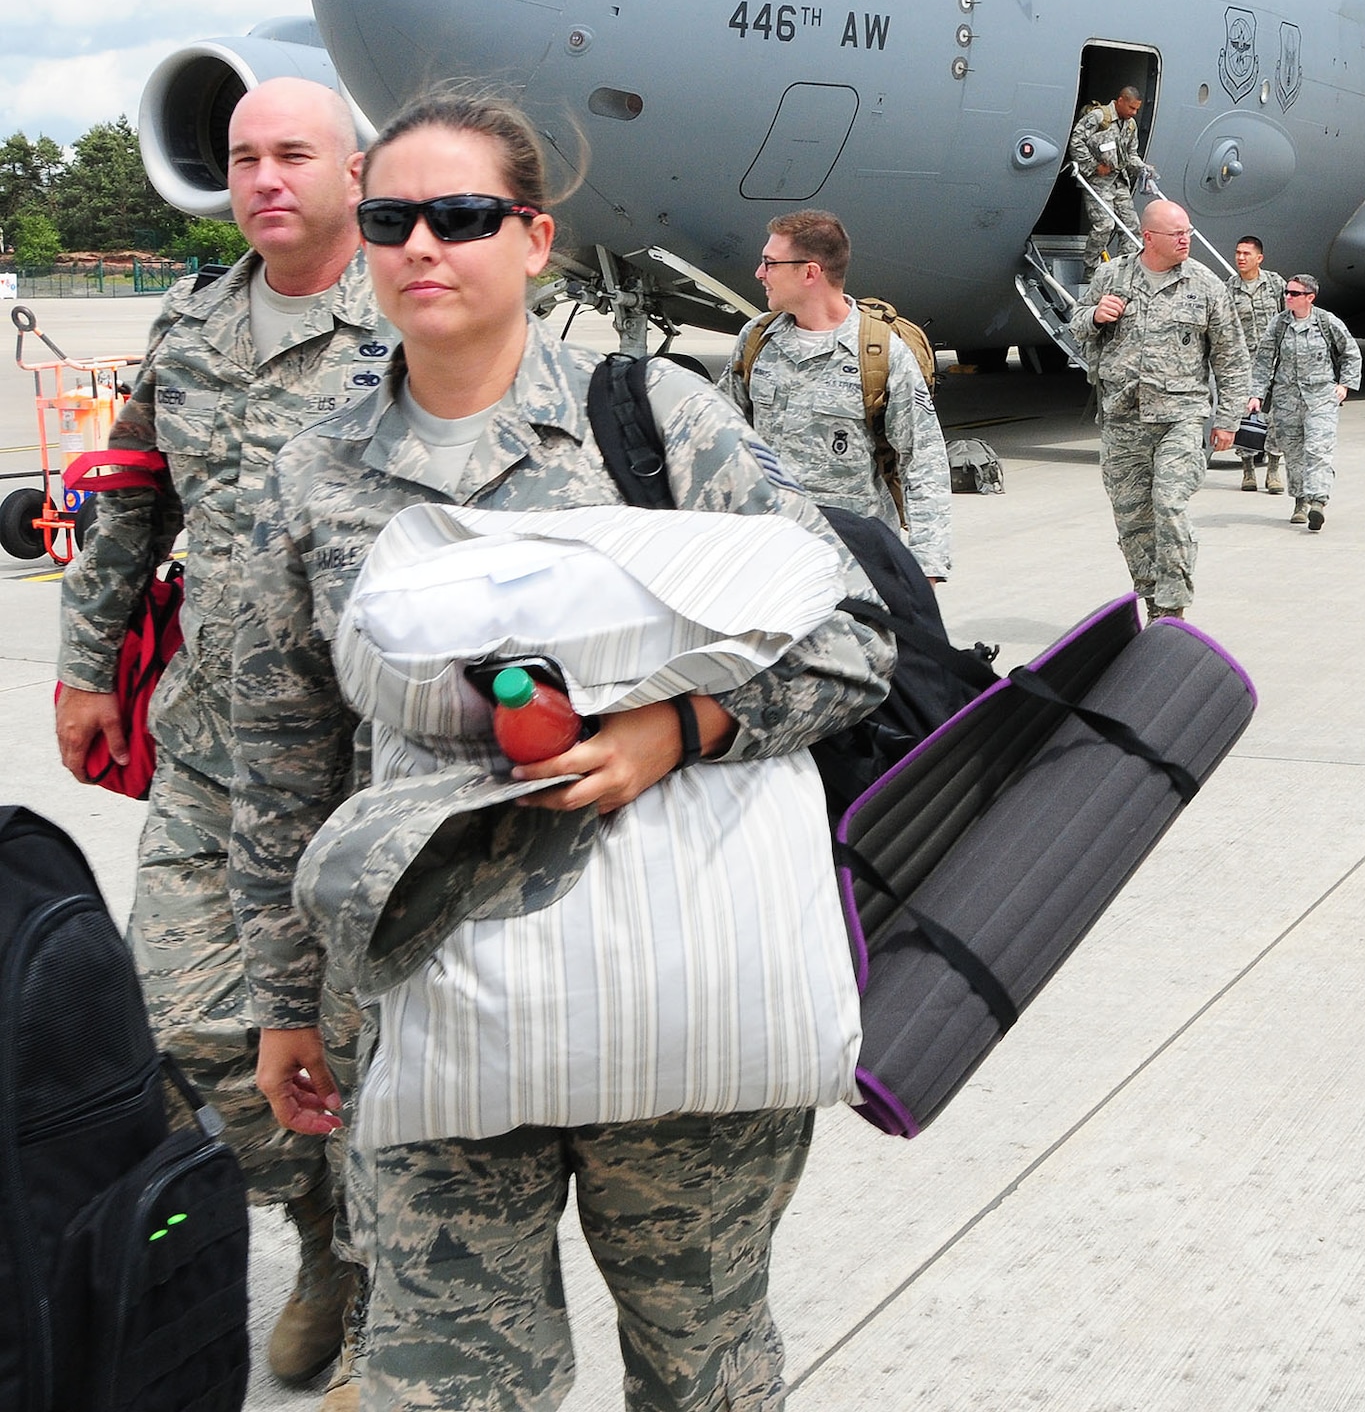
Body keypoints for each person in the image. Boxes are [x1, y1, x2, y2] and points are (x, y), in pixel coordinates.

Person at [227, 95, 893, 1411]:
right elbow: (282, 752)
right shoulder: (312, 477)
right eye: (391, 219)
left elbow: (854, 639)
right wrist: (284, 998)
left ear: (533, 237)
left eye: (462, 215)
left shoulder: (655, 421)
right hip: (428, 994)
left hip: (677, 980)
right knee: (444, 1380)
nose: (423, 244)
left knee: (703, 1368)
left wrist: (675, 729)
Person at [54, 76, 390, 1402]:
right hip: (210, 743)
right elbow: (130, 501)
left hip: (366, 761)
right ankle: (322, 1232)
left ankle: (373, 1290)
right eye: (245, 157)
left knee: (356, 1039)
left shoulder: (412, 316)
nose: (263, 178)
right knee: (186, 1024)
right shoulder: (190, 324)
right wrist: (88, 665)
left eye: (293, 153)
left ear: (354, 172)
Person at [718, 209, 952, 583]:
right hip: (768, 554)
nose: (760, 273)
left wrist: (927, 565)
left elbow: (923, 458)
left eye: (770, 263)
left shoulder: (880, 352)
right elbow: (718, 433)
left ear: (810, 273)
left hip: (854, 563)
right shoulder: (756, 340)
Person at [1070, 198, 1248, 619]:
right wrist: (1094, 316)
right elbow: (1076, 325)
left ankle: (1173, 607)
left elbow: (1232, 358)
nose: (1186, 240)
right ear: (1148, 237)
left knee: (1169, 504)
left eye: (1188, 231)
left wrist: (1228, 420)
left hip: (1180, 418)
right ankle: (1152, 602)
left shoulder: (1205, 285)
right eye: (1177, 233)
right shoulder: (1112, 276)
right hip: (1122, 419)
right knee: (1132, 520)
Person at [1247, 273, 1362, 530]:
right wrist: (1256, 394)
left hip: (1321, 399)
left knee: (1318, 451)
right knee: (1294, 454)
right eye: (1287, 292)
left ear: (1310, 297)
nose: (1288, 297)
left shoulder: (1326, 322)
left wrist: (1344, 385)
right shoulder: (1279, 324)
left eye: (1294, 293)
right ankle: (1300, 501)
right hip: (1286, 401)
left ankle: (1318, 501)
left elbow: (1351, 353)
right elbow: (1263, 360)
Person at [1226, 236, 1287, 492]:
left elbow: (1287, 317)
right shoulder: (1229, 288)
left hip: (1274, 362)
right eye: (1238, 253)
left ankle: (1273, 469)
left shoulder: (1275, 284)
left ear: (1259, 258)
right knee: (1244, 416)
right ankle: (1248, 469)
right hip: (1244, 364)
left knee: (1276, 416)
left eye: (1246, 254)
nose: (1241, 258)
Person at [1068, 86, 1144, 281]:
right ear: (1120, 101)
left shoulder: (1130, 125)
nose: (1134, 113)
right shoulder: (1099, 117)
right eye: (1131, 108)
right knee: (1104, 226)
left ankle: (1123, 274)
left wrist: (1144, 169)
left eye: (1137, 109)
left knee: (1132, 227)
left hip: (1119, 182)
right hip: (1098, 182)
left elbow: (1131, 154)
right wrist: (1094, 166)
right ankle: (1091, 272)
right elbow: (1076, 141)